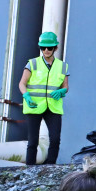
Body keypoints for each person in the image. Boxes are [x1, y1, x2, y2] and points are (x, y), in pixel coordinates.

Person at [18, 31, 68, 165]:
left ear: (55, 48)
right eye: (43, 48)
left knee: (55, 138)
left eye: (49, 48)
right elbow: (22, 83)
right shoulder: (32, 64)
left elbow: (66, 86)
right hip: (34, 105)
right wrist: (26, 95)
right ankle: (30, 168)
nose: (46, 50)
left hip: (53, 106)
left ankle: (50, 166)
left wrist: (62, 91)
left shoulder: (63, 66)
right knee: (33, 140)